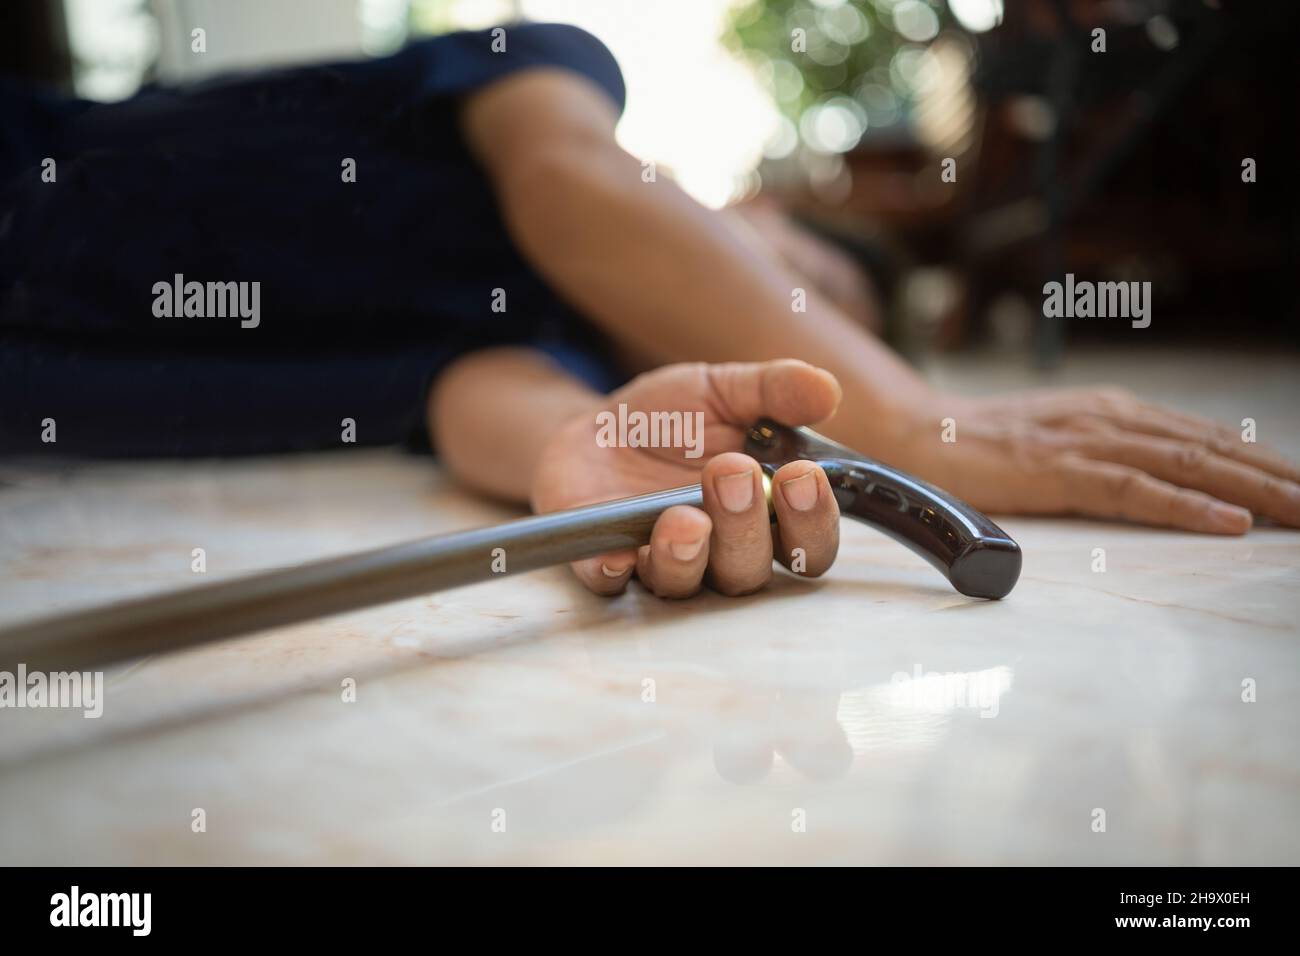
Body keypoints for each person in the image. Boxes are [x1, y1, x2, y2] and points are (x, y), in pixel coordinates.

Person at [2, 23, 1296, 601]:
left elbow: (504, 417)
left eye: (846, 322)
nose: (796, 346)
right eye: (805, 282)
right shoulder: (555, 73)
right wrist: (913, 419)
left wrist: (585, 461)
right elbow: (576, 187)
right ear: (740, 204)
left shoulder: (553, 352)